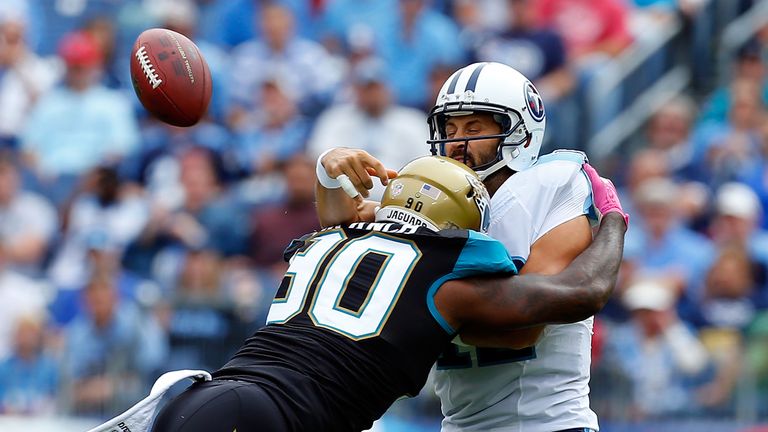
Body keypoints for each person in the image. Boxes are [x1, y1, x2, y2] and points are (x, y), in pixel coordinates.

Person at [89, 155, 627, 432]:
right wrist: (611, 218)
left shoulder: (329, 240)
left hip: (203, 399)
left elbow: (340, 211)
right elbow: (584, 291)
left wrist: (331, 169)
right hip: (272, 419)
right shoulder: (449, 279)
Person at [316, 62, 624, 431]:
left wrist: (416, 309)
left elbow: (521, 324)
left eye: (474, 128)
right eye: (450, 128)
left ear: (521, 134)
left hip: (547, 423)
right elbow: (342, 228)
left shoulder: (553, 184)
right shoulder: (434, 199)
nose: (456, 142)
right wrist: (328, 172)